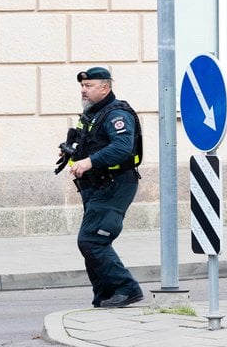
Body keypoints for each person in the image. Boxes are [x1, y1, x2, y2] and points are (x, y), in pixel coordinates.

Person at [57, 67, 144, 308]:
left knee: (92, 240)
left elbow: (122, 147)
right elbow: (89, 142)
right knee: (91, 241)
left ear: (105, 87)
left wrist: (89, 161)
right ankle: (105, 295)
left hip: (115, 186)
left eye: (89, 86)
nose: (83, 90)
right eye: (82, 86)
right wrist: (72, 151)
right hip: (96, 187)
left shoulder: (117, 115)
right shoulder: (93, 113)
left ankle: (127, 289)